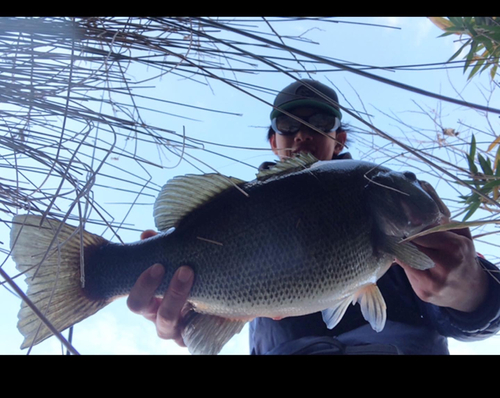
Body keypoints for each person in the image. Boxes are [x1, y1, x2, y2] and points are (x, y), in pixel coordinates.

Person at [126, 79, 500, 354]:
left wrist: (474, 292)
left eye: (319, 122)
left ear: (339, 138)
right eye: (287, 123)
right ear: (273, 141)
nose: (303, 133)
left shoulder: (386, 205)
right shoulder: (237, 208)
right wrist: (191, 319)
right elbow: (210, 322)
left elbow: (485, 305)